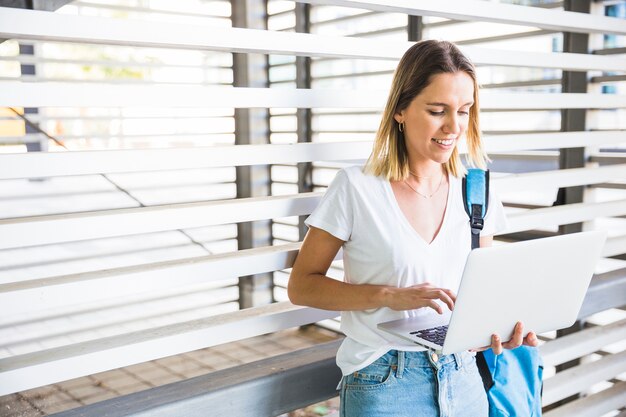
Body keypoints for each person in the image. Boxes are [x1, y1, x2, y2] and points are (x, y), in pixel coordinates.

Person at [287, 40, 539, 417]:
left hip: (463, 374)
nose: (453, 127)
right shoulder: (356, 187)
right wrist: (389, 295)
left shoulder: (477, 190)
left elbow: (482, 290)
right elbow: (302, 285)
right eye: (438, 111)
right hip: (384, 380)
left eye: (464, 111)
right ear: (401, 110)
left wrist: (501, 328)